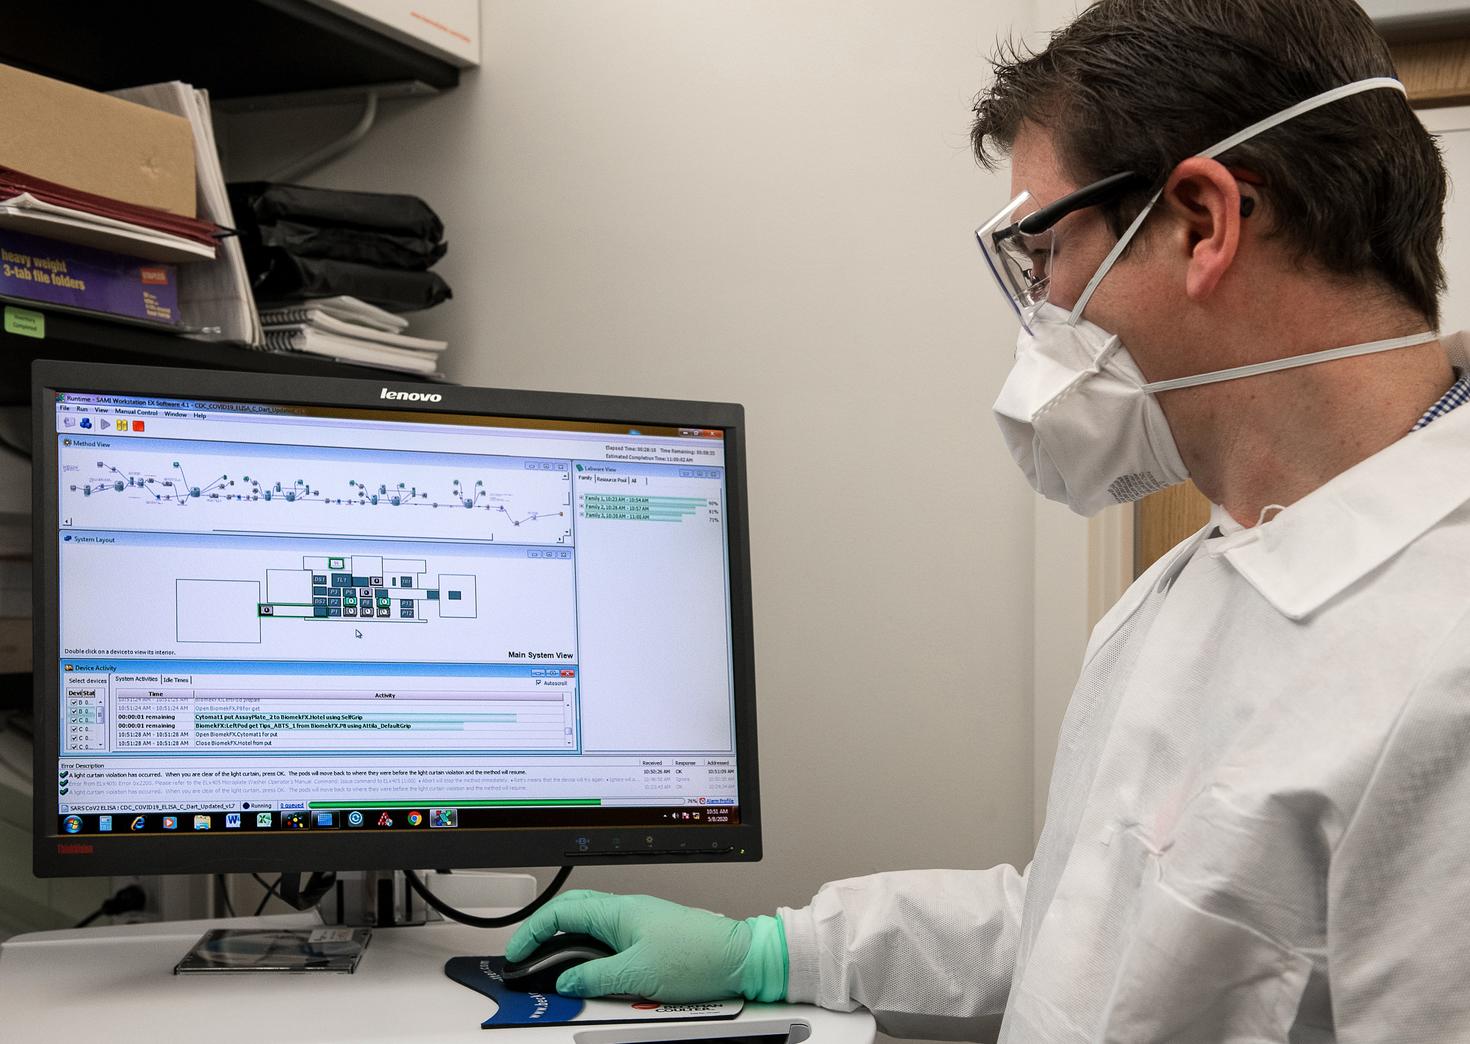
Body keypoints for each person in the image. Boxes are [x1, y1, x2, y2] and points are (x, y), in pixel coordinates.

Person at [507, 1, 1470, 1039]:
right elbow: (1089, 925)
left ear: (1201, 222)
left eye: (1047, 252)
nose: (1045, 307)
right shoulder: (1204, 581)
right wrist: (773, 950)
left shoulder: (1441, 668)